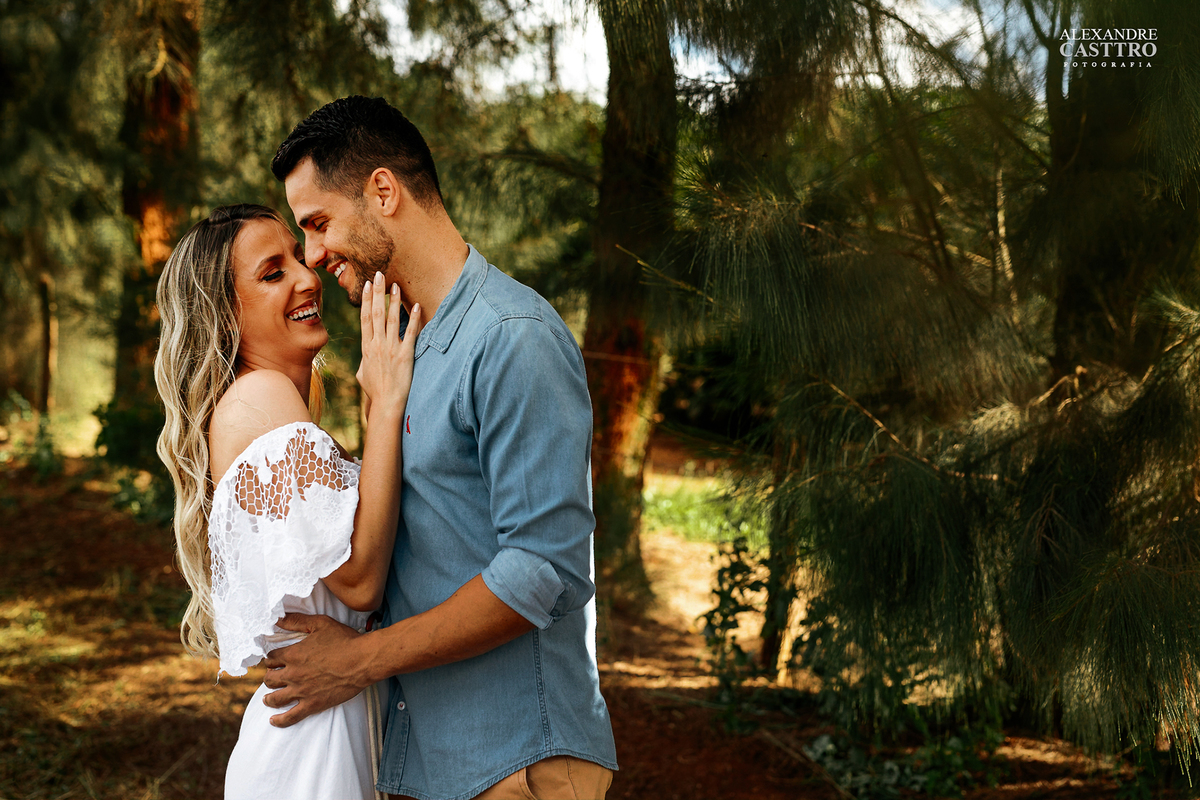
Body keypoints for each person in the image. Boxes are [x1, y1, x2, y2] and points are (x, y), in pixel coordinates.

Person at [261, 95, 618, 800]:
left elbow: (540, 570)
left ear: (384, 191)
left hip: (519, 763)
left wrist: (357, 661)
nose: (312, 254)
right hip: (429, 762)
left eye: (319, 223)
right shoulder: (401, 345)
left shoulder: (512, 336)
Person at [154, 203, 421, 799]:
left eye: (298, 259)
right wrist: (387, 401)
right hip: (311, 749)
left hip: (331, 720)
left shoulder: (268, 405)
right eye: (272, 273)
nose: (307, 278)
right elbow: (357, 581)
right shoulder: (261, 396)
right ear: (226, 314)